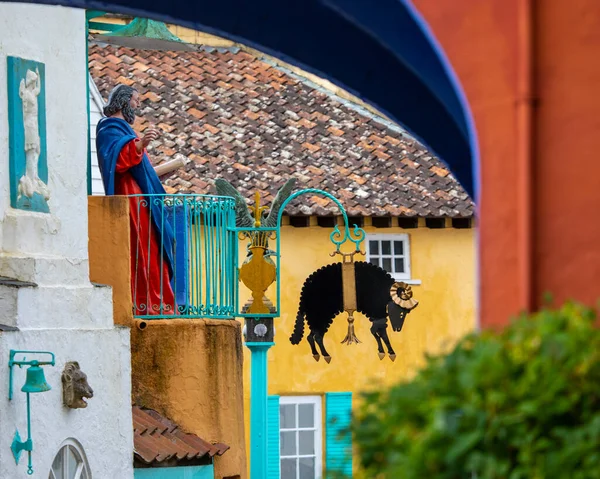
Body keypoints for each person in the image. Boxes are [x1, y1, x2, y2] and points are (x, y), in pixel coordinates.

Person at [96, 84, 176, 315]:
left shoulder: (125, 132)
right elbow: (117, 161)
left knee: (157, 246)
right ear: (123, 101)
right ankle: (146, 302)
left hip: (142, 198)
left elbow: (140, 168)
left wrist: (159, 173)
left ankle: (160, 301)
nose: (138, 104)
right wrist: (140, 145)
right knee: (143, 249)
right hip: (131, 199)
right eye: (135, 100)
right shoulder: (108, 128)